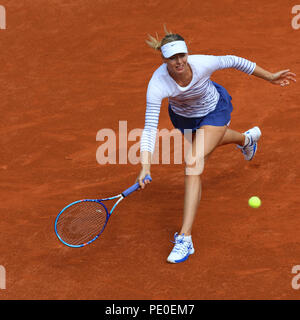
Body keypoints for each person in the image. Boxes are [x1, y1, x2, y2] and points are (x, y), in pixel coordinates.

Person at [136, 27, 296, 264]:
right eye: (172, 58)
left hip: (214, 110)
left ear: (186, 54)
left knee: (193, 163)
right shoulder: (157, 84)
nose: (179, 62)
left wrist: (270, 76)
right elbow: (149, 128)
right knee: (201, 154)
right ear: (164, 59)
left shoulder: (202, 63)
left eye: (182, 56)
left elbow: (233, 60)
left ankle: (185, 238)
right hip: (184, 118)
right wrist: (145, 166)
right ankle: (246, 139)